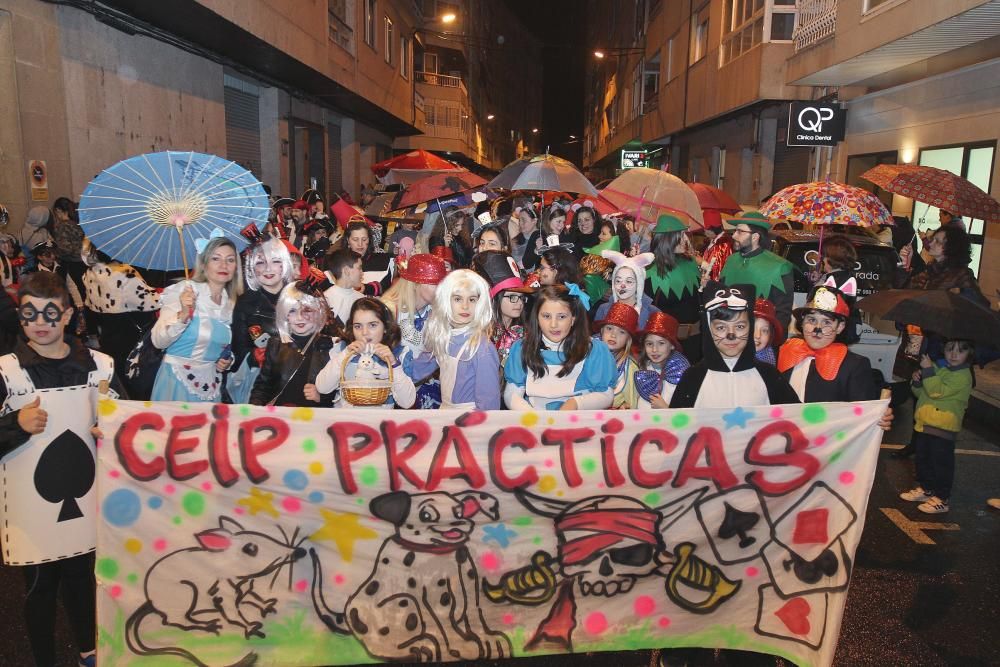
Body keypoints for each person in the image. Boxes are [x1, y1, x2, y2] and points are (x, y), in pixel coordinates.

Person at [0, 271, 124, 667]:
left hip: (86, 496)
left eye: (50, 313)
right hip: (31, 507)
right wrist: (13, 425)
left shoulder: (99, 368)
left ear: (68, 315)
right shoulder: (7, 373)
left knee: (81, 575)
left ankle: (88, 647)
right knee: (39, 585)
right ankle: (43, 658)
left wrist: (111, 426)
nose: (39, 323)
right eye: (29, 313)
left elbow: (126, 418)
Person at [670, 284, 799, 408]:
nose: (731, 335)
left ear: (750, 327)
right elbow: (676, 426)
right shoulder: (693, 378)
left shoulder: (769, 375)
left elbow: (797, 419)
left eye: (739, 326)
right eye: (721, 327)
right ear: (709, 330)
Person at [150, 236, 240, 402]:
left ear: (236, 267)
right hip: (175, 384)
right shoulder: (183, 291)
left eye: (230, 260)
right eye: (215, 258)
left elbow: (222, 345)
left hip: (210, 388)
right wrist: (183, 314)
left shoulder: (231, 303)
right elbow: (158, 341)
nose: (223, 265)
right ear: (204, 264)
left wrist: (226, 360)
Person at [504, 284, 616, 411]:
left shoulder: (593, 350)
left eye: (561, 317)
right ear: (537, 318)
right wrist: (531, 416)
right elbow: (512, 393)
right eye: (546, 316)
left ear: (573, 318)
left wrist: (575, 404)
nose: (553, 324)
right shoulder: (522, 349)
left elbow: (606, 395)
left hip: (578, 424)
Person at [900, 339, 974, 514]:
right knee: (923, 459)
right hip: (926, 422)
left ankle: (942, 498)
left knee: (941, 464)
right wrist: (917, 381)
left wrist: (927, 370)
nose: (954, 354)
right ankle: (927, 489)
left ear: (969, 354)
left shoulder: (963, 375)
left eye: (960, 351)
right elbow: (922, 393)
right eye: (950, 349)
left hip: (944, 426)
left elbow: (936, 391)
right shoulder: (940, 368)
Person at [777, 278, 882, 403]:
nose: (818, 329)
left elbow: (862, 413)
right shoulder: (785, 351)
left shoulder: (854, 366)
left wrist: (879, 415)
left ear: (840, 327)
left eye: (827, 322)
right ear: (802, 321)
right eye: (812, 320)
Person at [411, 269, 501, 410]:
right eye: (458, 299)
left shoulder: (482, 349)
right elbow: (415, 371)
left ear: (480, 303)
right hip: (445, 413)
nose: (465, 306)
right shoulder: (442, 338)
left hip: (471, 420)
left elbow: (489, 404)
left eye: (472, 299)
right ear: (446, 301)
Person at [228, 227, 295, 404]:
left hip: (298, 381)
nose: (268, 269)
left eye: (275, 261)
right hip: (260, 386)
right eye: (260, 262)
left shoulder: (301, 297)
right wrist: (252, 356)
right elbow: (237, 351)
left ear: (285, 264)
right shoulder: (244, 304)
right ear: (251, 267)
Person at [249, 277, 336, 407]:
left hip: (313, 420)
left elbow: (341, 390)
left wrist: (322, 398)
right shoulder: (276, 344)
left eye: (306, 310)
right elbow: (263, 387)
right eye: (292, 310)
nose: (300, 317)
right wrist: (254, 410)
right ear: (285, 314)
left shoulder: (329, 346)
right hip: (280, 418)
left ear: (318, 311)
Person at [316, 297, 416, 408]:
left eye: (372, 325)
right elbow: (322, 387)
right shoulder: (342, 349)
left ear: (386, 327)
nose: (364, 332)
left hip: (381, 423)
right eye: (358, 326)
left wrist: (394, 364)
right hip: (345, 422)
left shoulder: (399, 353)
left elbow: (407, 402)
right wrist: (346, 354)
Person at [81, 244, 161, 378]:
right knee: (137, 377)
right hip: (132, 337)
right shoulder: (123, 273)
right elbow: (153, 302)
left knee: (117, 375)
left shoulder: (89, 273)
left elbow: (89, 306)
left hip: (108, 337)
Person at [381, 253, 448, 409]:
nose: (440, 289)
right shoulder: (388, 310)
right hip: (387, 396)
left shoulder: (437, 313)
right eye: (434, 283)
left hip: (420, 392)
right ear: (416, 283)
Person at [719, 211, 795, 331]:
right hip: (730, 333)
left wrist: (772, 341)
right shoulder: (731, 260)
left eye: (740, 231)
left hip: (760, 337)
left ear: (755, 237)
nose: (733, 236)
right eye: (735, 231)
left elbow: (782, 313)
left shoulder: (779, 266)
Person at [644, 214, 702, 360]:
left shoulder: (690, 263)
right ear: (667, 240)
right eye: (681, 235)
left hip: (695, 343)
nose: (685, 240)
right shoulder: (649, 270)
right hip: (665, 346)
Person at [471, 251, 535, 374]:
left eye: (521, 297)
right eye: (512, 296)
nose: (520, 303)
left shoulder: (525, 332)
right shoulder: (481, 334)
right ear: (496, 298)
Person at [27, 240, 86, 337]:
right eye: (47, 254)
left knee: (70, 330)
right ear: (39, 257)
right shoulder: (34, 273)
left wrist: (78, 302)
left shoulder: (62, 268)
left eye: (53, 253)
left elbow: (71, 285)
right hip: (47, 308)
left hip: (65, 304)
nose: (52, 256)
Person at [593, 249, 660, 329]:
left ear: (639, 284)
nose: (622, 286)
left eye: (629, 281)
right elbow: (598, 336)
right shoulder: (603, 309)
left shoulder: (652, 312)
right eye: (618, 281)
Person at [635, 311, 689, 409]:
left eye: (661, 343)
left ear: (672, 345)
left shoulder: (681, 372)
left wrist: (665, 408)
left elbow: (686, 412)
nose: (654, 349)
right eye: (649, 344)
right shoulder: (641, 368)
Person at [594, 301, 640, 409]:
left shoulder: (630, 368)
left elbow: (631, 405)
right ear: (602, 331)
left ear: (628, 339)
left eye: (622, 332)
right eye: (609, 328)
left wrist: (625, 408)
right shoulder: (585, 355)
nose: (613, 335)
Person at [339, 220, 394, 296]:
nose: (360, 244)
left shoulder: (384, 260)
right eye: (355, 239)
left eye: (364, 239)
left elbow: (387, 287)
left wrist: (366, 288)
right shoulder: (338, 261)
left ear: (369, 240)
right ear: (348, 240)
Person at [322, 248, 363, 331]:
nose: (362, 272)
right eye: (359, 268)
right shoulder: (326, 300)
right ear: (346, 271)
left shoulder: (361, 298)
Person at [753, 298, 783, 366]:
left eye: (764, 330)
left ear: (770, 335)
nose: (757, 335)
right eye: (753, 328)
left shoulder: (769, 362)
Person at [512, 204, 541, 270]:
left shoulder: (541, 239)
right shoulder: (515, 240)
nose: (520, 223)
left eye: (524, 220)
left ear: (534, 221)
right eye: (519, 220)